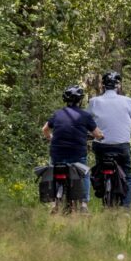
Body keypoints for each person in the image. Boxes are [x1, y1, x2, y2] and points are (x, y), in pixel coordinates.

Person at [42, 85, 103, 213]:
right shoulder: (85, 115)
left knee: (53, 172)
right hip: (77, 154)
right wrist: (100, 136)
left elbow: (45, 129)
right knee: (85, 174)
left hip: (57, 153)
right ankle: (84, 205)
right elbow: (97, 134)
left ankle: (54, 204)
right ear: (80, 100)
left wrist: (50, 138)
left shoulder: (57, 114)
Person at [88, 71, 131, 209]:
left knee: (100, 169)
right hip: (122, 146)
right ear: (118, 86)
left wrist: (88, 133)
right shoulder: (127, 101)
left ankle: (103, 190)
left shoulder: (94, 102)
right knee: (128, 175)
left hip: (101, 145)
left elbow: (86, 120)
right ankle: (125, 208)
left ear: (103, 86)